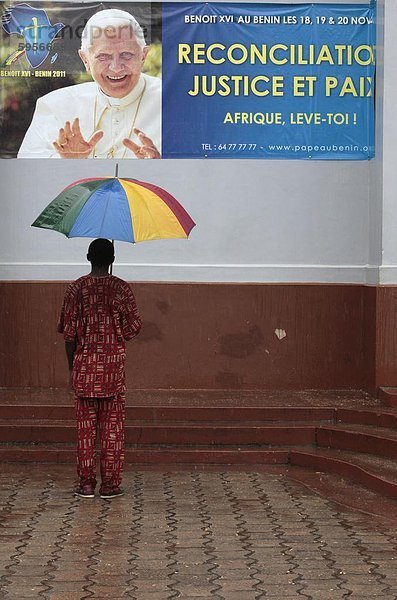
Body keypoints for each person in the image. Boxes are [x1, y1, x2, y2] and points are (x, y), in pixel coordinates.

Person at [58, 238, 142, 499]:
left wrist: (73, 367)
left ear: (87, 257)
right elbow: (132, 329)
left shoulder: (75, 289)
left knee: (85, 432)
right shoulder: (121, 289)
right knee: (112, 430)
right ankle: (110, 485)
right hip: (113, 371)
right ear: (113, 259)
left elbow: (69, 335)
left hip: (84, 368)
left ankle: (85, 484)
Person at [18, 9, 161, 159]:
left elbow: (186, 171)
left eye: (126, 55)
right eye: (103, 56)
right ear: (85, 59)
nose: (116, 67)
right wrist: (66, 163)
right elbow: (27, 172)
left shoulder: (176, 103)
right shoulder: (54, 106)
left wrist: (160, 165)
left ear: (143, 56)